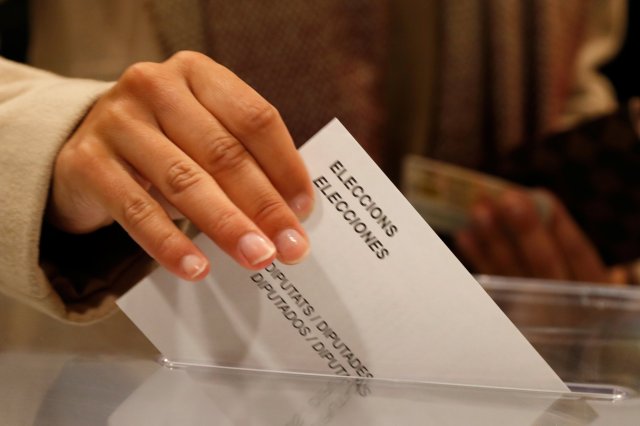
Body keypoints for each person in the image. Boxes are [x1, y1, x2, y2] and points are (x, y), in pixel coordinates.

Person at [1, 0, 638, 323]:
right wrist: (59, 139)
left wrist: (587, 266)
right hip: (124, 358)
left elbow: (575, 73)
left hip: (491, 358)